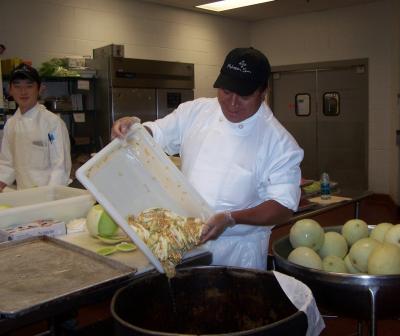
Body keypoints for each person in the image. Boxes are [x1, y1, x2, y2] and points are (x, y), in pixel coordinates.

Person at [112, 47, 304, 270]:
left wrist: (231, 218)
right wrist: (132, 128)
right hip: (184, 243)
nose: (232, 103)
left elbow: (283, 206)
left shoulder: (279, 143)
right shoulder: (196, 111)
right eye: (226, 91)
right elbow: (158, 133)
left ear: (263, 93)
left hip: (237, 255)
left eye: (244, 95)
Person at [0, 63, 72, 191]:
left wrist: (50, 196)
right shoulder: (11, 124)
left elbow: (60, 166)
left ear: (39, 89)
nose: (23, 92)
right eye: (17, 86)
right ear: (10, 90)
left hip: (47, 195)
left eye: (29, 86)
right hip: (23, 193)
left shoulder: (52, 124)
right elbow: (7, 162)